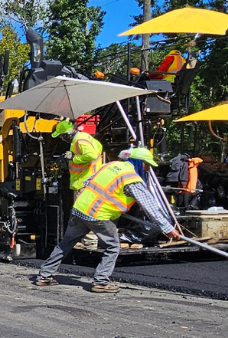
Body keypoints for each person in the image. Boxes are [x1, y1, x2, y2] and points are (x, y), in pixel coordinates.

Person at [36, 148, 183, 293]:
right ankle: (100, 281)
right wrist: (167, 228)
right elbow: (150, 206)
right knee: (112, 247)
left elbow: (87, 182)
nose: (147, 168)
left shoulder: (109, 165)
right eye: (146, 164)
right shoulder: (131, 178)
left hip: (80, 209)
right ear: (139, 162)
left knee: (66, 243)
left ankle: (44, 275)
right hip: (99, 215)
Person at [52, 119, 104, 249]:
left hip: (84, 181)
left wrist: (74, 158)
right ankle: (86, 240)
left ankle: (91, 242)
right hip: (90, 180)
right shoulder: (86, 137)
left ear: (66, 134)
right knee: (85, 213)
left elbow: (91, 155)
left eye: (61, 136)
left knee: (84, 213)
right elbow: (99, 148)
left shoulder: (79, 140)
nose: (61, 139)